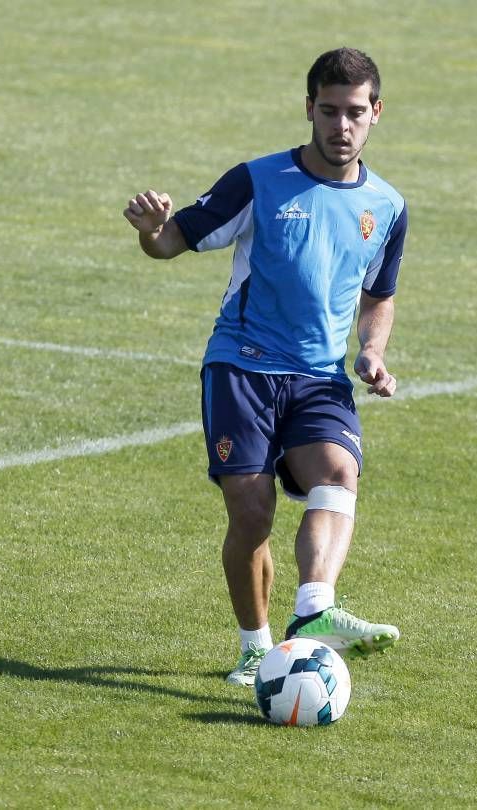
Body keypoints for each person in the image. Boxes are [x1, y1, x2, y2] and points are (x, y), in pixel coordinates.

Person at [123, 47, 408, 686]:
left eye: (355, 113)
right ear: (308, 108)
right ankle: (255, 648)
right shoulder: (258, 181)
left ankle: (313, 612)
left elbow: (379, 294)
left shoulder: (386, 206)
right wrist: (150, 229)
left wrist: (372, 351)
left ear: (376, 114)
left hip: (319, 377)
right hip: (243, 368)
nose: (341, 126)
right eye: (329, 111)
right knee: (252, 514)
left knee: (339, 472)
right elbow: (172, 242)